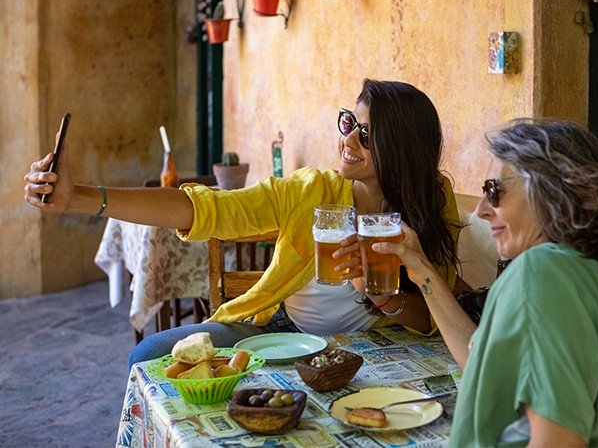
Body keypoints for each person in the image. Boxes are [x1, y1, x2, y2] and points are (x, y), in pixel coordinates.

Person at [24, 79, 461, 369]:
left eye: (365, 134)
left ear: (402, 146)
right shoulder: (310, 192)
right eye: (349, 123)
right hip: (280, 330)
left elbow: (430, 320)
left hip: (369, 349)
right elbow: (204, 210)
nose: (346, 140)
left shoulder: (432, 201)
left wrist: (384, 299)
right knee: (152, 352)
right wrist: (79, 197)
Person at [375, 118, 598, 447]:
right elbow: (484, 365)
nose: (480, 211)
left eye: (494, 191)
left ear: (550, 191)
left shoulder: (540, 273)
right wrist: (420, 270)